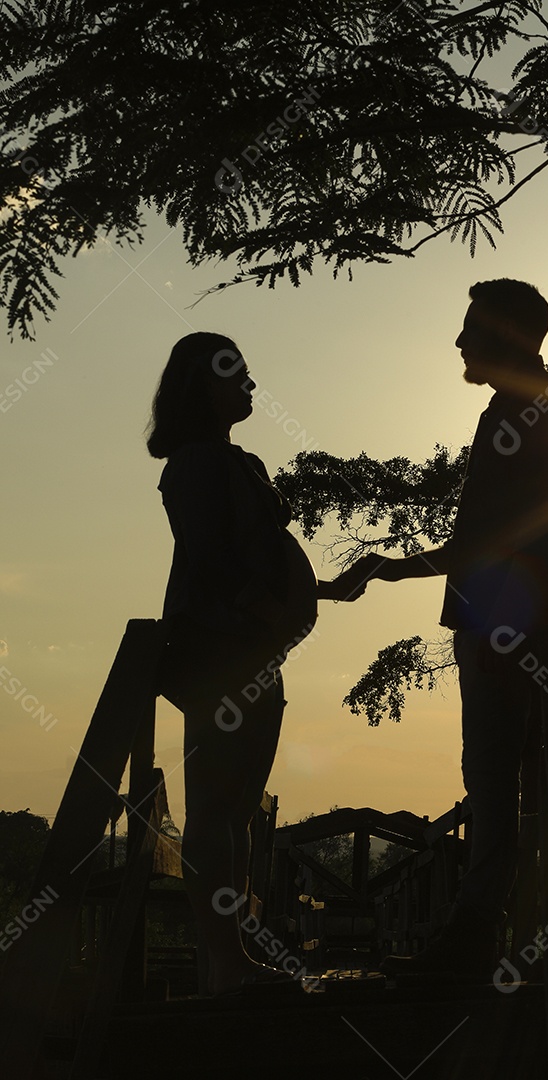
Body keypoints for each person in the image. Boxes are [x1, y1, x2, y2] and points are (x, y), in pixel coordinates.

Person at [331, 280, 548, 980]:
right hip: (530, 630)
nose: (459, 341)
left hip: (505, 632)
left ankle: (476, 944)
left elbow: (489, 540)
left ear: (506, 335)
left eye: (471, 328)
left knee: (495, 789)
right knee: (541, 791)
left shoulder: (518, 413)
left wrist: (398, 570)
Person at [146, 331, 359, 997]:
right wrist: (264, 609)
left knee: (235, 813)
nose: (249, 385)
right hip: (220, 651)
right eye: (233, 374)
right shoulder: (192, 465)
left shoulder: (242, 463)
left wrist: (310, 593)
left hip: (255, 652)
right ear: (199, 387)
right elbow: (209, 559)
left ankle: (230, 959)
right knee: (213, 810)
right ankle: (222, 963)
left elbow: (253, 555)